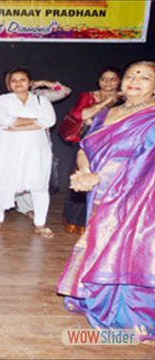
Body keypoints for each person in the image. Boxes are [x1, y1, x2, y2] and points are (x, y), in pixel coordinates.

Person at [57, 60, 155, 343]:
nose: (135, 79)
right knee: (100, 241)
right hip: (100, 193)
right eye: (130, 75)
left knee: (126, 246)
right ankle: (100, 298)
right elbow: (85, 147)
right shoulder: (105, 114)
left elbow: (145, 163)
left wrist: (99, 177)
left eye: (145, 77)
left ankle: (129, 317)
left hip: (137, 195)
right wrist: (85, 171)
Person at [0, 67, 56, 238]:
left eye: (22, 80)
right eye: (14, 80)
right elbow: (4, 120)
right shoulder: (1, 101)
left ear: (30, 83)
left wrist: (17, 126)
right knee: (1, 181)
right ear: (9, 84)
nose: (18, 83)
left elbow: (49, 121)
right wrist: (36, 121)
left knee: (39, 185)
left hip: (35, 149)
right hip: (6, 148)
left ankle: (40, 223)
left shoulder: (41, 101)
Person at [61, 67, 121, 235]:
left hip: (113, 142)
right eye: (104, 79)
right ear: (98, 81)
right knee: (81, 174)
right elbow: (81, 115)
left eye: (113, 79)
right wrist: (105, 103)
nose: (108, 83)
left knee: (107, 178)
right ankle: (75, 220)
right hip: (87, 140)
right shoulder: (88, 96)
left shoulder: (126, 99)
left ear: (120, 81)